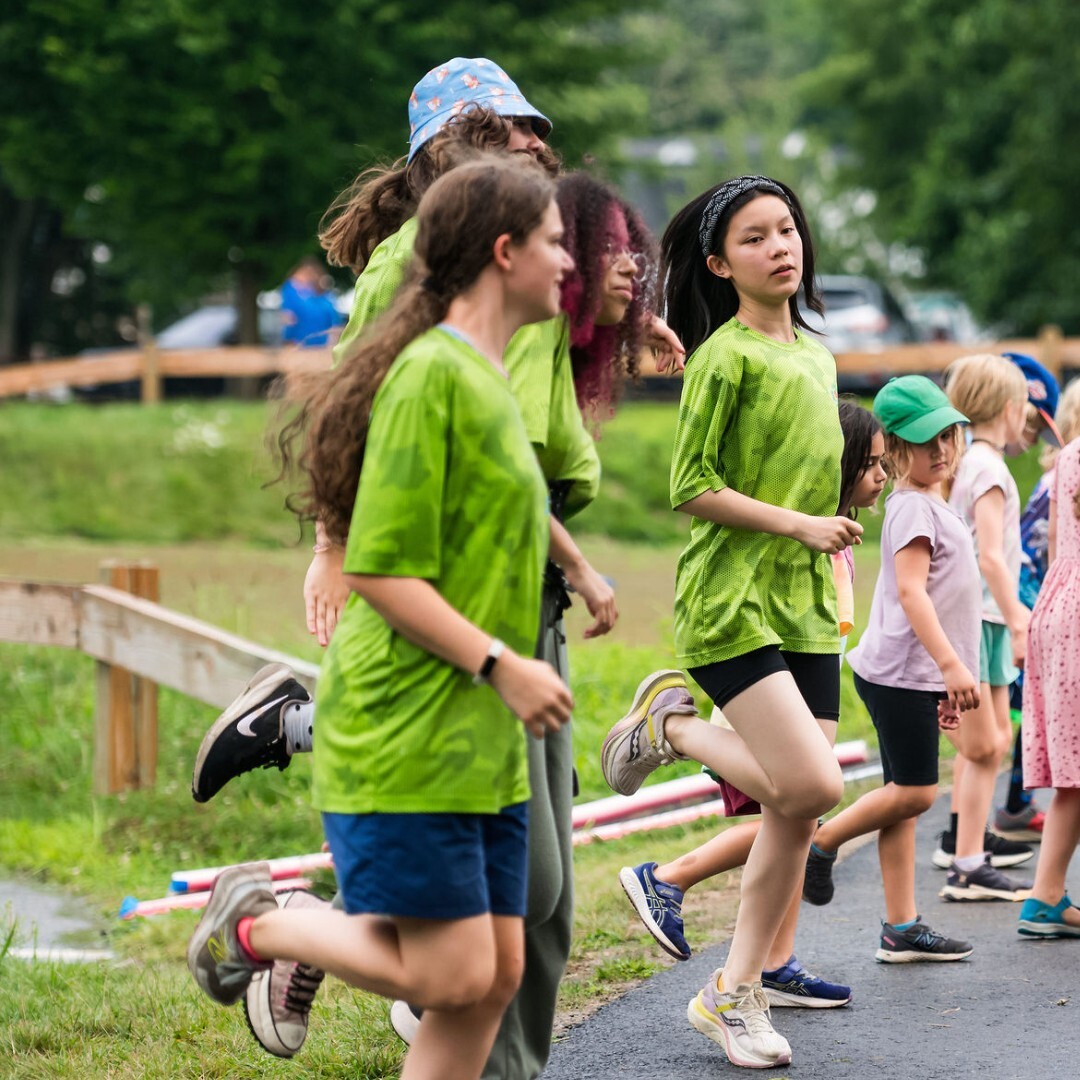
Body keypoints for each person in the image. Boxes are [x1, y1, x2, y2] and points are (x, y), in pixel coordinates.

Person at [190, 59, 678, 1076]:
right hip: (436, 672)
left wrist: (579, 569)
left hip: (499, 650)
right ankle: (268, 922)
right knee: (465, 968)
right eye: (556, 245)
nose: (574, 256)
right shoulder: (426, 355)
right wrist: (339, 556)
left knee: (493, 961)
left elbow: (522, 474)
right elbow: (369, 495)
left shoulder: (493, 358)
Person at [599, 175, 862, 1070]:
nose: (781, 246)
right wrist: (798, 523)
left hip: (805, 605)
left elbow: (812, 473)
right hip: (733, 601)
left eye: (788, 229)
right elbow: (691, 487)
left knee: (793, 813)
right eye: (755, 238)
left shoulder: (818, 358)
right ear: (720, 264)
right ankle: (672, 727)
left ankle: (732, 993)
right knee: (816, 787)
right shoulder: (723, 357)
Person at [617, 400, 886, 1009]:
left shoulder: (837, 535)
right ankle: (667, 874)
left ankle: (774, 962)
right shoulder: (796, 530)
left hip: (803, 687)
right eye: (871, 464)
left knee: (796, 820)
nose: (882, 476)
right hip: (760, 711)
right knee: (793, 809)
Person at [802, 375, 978, 962]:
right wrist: (949, 667)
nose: (942, 451)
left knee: (902, 796)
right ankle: (824, 840)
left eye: (948, 437)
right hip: (900, 671)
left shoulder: (933, 504)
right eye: (927, 443)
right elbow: (912, 593)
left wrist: (945, 681)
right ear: (895, 449)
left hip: (915, 674)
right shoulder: (909, 508)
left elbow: (950, 599)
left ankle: (902, 926)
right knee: (917, 792)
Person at [934, 354, 1034, 901]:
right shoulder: (990, 468)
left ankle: (968, 857)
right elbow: (991, 557)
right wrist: (1019, 618)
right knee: (984, 745)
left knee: (992, 744)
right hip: (986, 620)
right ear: (1010, 408)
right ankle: (967, 862)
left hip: (980, 619)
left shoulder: (970, 462)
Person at [993, 354, 1067, 842]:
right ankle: (1006, 810)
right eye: (1031, 426)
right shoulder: (990, 467)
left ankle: (1017, 803)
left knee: (1019, 706)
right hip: (1024, 595)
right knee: (1017, 705)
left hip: (1034, 593)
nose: (1031, 437)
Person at [1017, 427, 1080, 938]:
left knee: (1075, 776)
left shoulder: (1071, 454)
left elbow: (1060, 540)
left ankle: (1045, 896)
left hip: (1061, 603)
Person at [279, 257, 345, 347]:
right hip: (313, 343)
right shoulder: (323, 299)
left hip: (302, 342)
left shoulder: (293, 291)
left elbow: (289, 319)